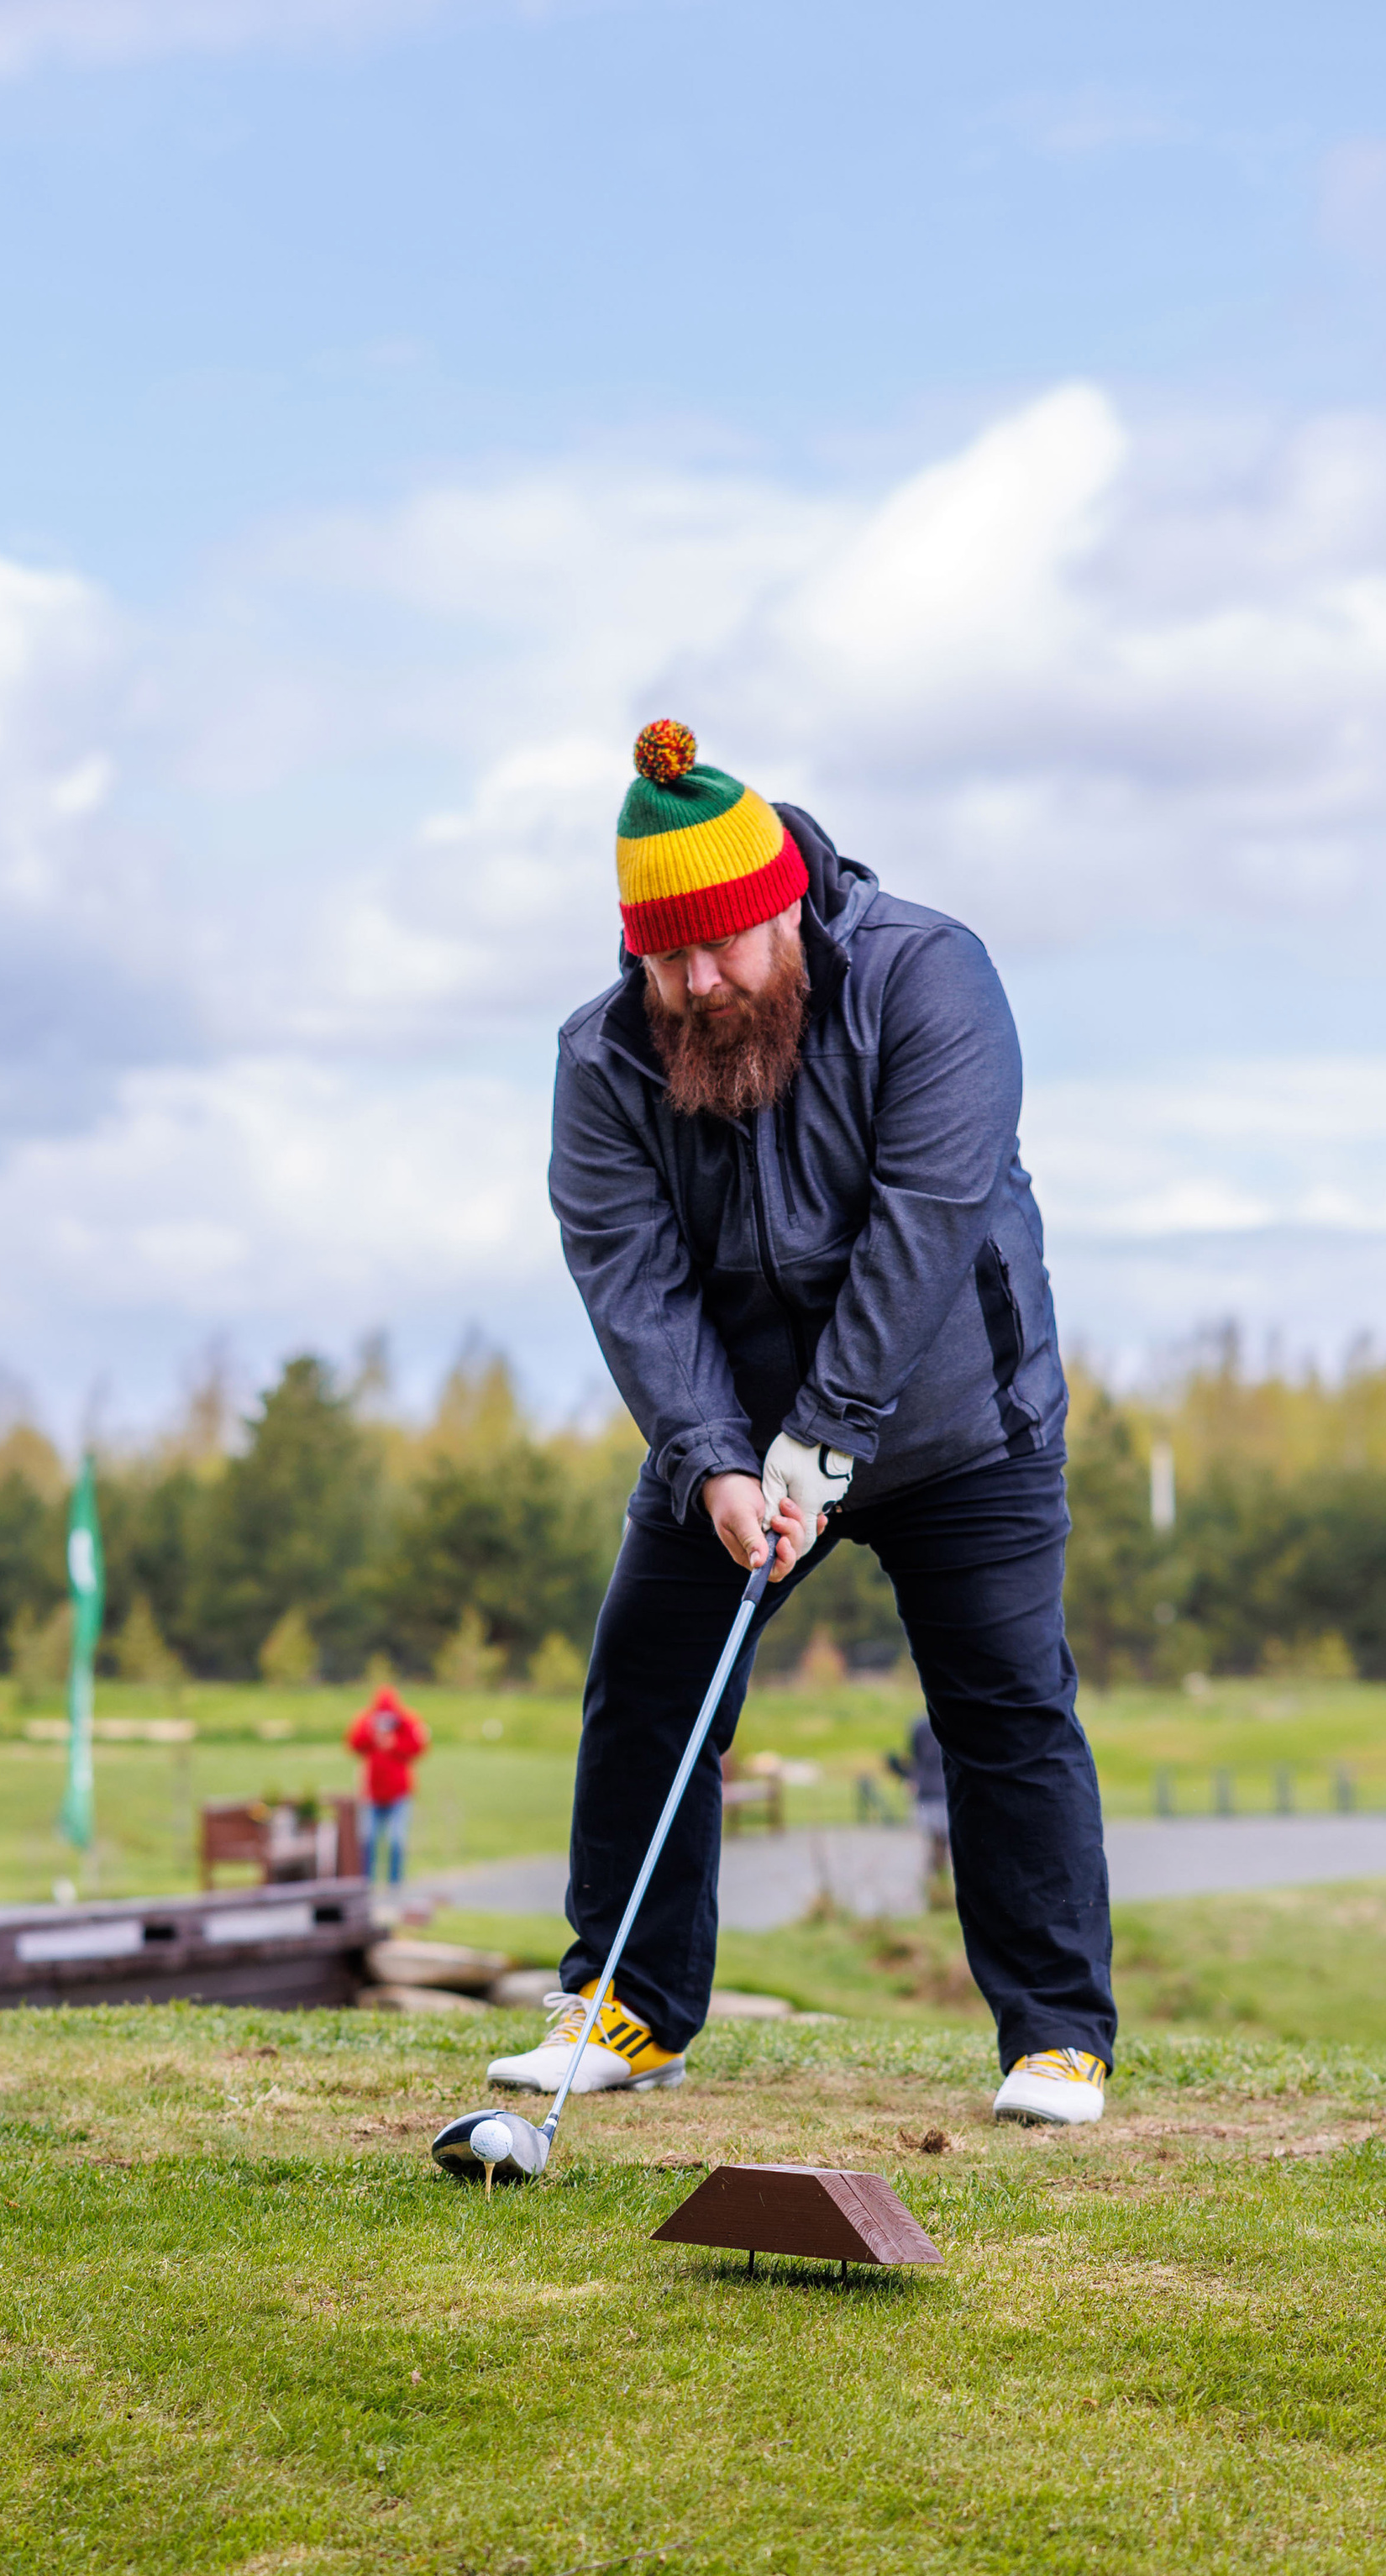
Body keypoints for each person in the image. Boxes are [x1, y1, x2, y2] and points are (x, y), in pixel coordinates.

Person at [488, 721, 1114, 2129]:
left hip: (966, 1417)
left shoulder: (926, 976)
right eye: (669, 961)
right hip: (739, 1434)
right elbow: (628, 1273)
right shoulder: (604, 1058)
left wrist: (826, 1438)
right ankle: (630, 2008)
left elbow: (931, 1218)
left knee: (1005, 1705)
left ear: (785, 906)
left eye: (724, 950)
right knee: (649, 1683)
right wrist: (711, 1455)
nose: (702, 986)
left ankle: (1056, 2040)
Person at [347, 1685, 428, 1887]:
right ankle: (365, 1883)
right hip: (373, 1793)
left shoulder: (406, 1722)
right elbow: (354, 1743)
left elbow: (419, 1746)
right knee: (368, 1840)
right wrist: (371, 1733)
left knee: (396, 1840)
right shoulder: (367, 1721)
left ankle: (395, 1883)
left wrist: (395, 1743)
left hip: (398, 1794)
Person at [887, 1715, 952, 1883]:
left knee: (935, 1839)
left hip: (926, 1790)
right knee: (942, 1839)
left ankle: (936, 1879)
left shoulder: (919, 1726)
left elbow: (914, 1757)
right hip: (945, 1788)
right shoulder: (951, 1720)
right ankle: (939, 1880)